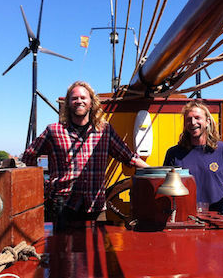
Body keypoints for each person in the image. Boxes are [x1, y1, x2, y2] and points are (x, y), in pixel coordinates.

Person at [22, 81, 149, 226]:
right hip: (62, 207)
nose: (79, 101)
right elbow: (28, 157)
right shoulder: (54, 131)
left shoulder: (104, 131)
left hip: (96, 208)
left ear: (91, 103)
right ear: (68, 104)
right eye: (74, 98)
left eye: (83, 98)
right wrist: (43, 186)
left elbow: (129, 157)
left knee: (97, 247)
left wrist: (154, 172)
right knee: (60, 247)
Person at [163, 100, 223, 213]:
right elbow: (164, 184)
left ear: (207, 122)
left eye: (197, 118)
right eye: (188, 119)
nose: (193, 122)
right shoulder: (173, 153)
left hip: (216, 216)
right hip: (183, 216)